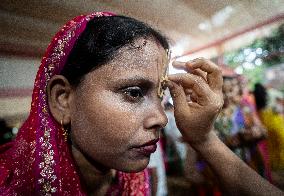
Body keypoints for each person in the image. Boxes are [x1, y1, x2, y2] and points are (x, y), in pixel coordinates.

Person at [0, 12, 282, 195]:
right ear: (63, 99)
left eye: (160, 95)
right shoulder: (13, 187)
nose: (161, 117)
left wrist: (204, 138)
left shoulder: (131, 183)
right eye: (134, 92)